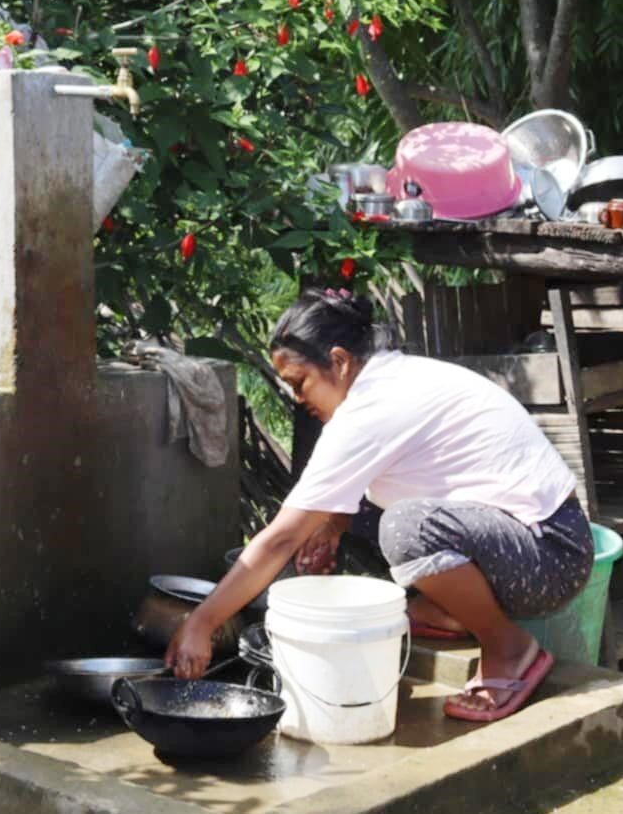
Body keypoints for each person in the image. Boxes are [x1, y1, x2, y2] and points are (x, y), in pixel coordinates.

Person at [165, 288, 593, 722]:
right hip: (517, 540)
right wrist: (333, 523)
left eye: (300, 382)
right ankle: (453, 612)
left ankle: (510, 649)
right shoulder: (388, 379)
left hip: (550, 557)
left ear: (339, 361)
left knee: (406, 528)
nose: (297, 398)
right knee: (338, 512)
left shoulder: (372, 409)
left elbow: (281, 539)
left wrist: (202, 623)